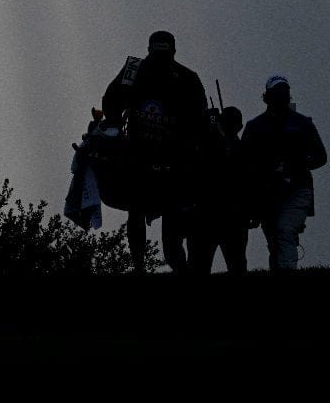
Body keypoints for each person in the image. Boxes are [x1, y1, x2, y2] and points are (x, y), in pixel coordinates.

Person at [101, 31, 207, 273]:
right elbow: (111, 100)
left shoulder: (186, 77)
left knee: (169, 213)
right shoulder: (135, 68)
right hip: (139, 154)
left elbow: (200, 117)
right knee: (138, 210)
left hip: (173, 156)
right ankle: (142, 265)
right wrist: (115, 125)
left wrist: (190, 144)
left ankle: (175, 262)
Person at [242, 76, 326, 271]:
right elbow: (245, 164)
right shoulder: (255, 127)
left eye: (285, 93)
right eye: (278, 94)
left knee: (285, 232)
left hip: (297, 190)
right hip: (267, 193)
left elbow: (320, 156)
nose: (282, 98)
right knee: (275, 242)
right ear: (267, 97)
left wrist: (295, 166)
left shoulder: (302, 123)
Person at [191, 106, 250, 274]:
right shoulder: (211, 144)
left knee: (233, 263)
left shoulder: (237, 149)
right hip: (213, 215)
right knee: (206, 263)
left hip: (223, 215)